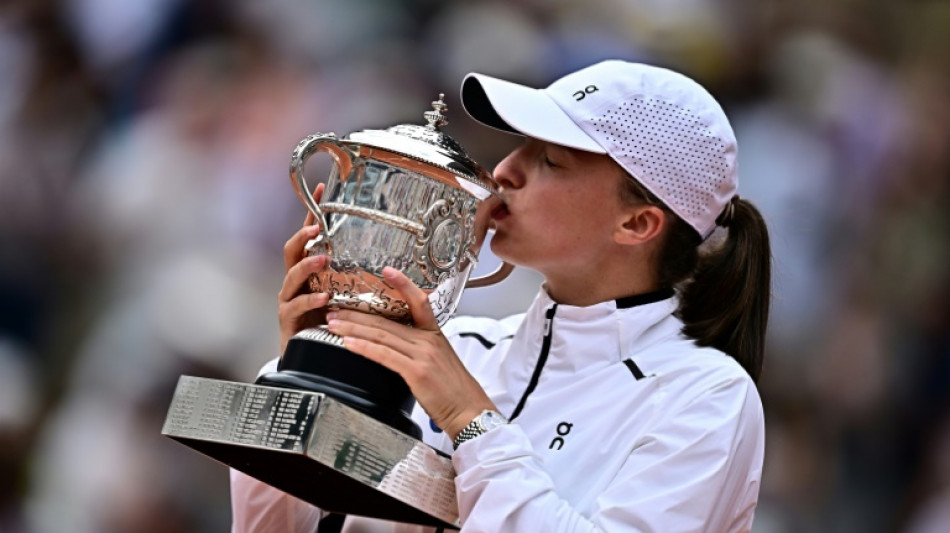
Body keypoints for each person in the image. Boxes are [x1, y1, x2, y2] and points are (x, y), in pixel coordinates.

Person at [231, 59, 772, 532]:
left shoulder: (705, 396)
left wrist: (472, 421)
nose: (506, 170)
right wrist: (307, 378)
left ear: (636, 223)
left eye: (550, 160)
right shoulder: (455, 348)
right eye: (521, 147)